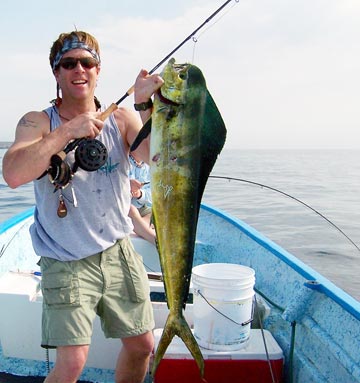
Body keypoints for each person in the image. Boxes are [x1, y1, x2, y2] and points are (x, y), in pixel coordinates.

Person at [2, 31, 163, 383]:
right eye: (69, 63)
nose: (79, 69)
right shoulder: (38, 121)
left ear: (98, 70)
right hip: (65, 256)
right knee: (72, 362)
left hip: (118, 251)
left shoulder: (120, 118)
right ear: (56, 73)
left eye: (87, 62)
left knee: (142, 345)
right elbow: (13, 173)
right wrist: (66, 133)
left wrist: (146, 104)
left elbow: (152, 155)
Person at [128, 152, 156, 245]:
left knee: (158, 213)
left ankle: (138, 226)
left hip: (141, 208)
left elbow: (152, 194)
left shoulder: (149, 167)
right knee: (131, 210)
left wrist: (140, 194)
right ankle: (153, 238)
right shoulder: (123, 160)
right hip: (125, 208)